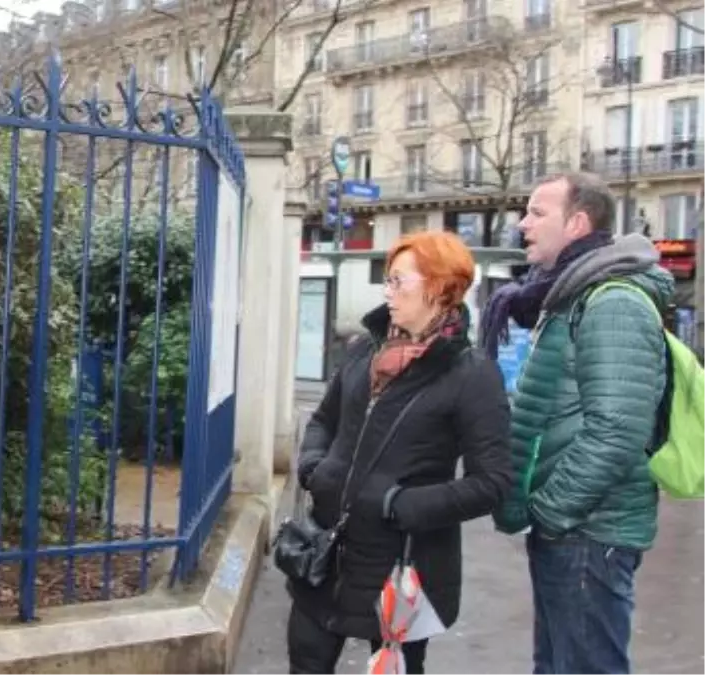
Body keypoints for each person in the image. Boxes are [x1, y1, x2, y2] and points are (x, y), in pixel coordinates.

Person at [288, 231, 515, 675]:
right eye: (387, 280)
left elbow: (492, 482)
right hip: (324, 553)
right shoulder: (364, 351)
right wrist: (315, 467)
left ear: (440, 288)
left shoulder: (472, 375)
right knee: (305, 664)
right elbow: (323, 421)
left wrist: (402, 504)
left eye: (398, 281)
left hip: (402, 564)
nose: (387, 292)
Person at [483, 172, 671, 675]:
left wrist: (550, 511)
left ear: (577, 223)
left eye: (537, 213)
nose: (523, 224)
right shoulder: (568, 296)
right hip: (574, 533)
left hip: (589, 533)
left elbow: (617, 432)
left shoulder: (611, 302)